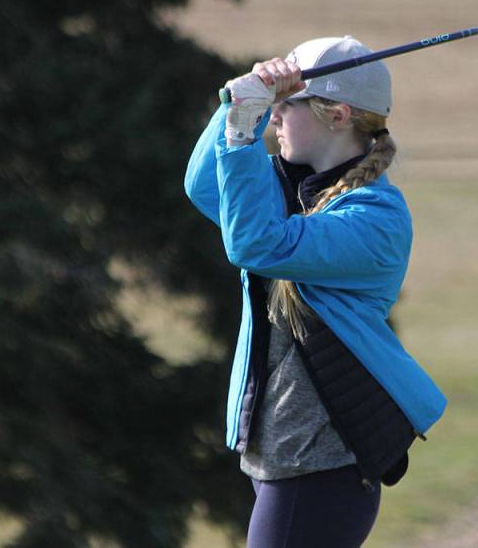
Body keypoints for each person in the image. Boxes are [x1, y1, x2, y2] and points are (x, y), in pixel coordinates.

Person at [184, 36, 446, 547]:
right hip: (283, 458)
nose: (274, 117)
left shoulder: (375, 220)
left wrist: (243, 132)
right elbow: (203, 187)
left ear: (338, 115)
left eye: (285, 105)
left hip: (322, 464)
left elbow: (257, 244)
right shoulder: (294, 191)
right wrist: (240, 107)